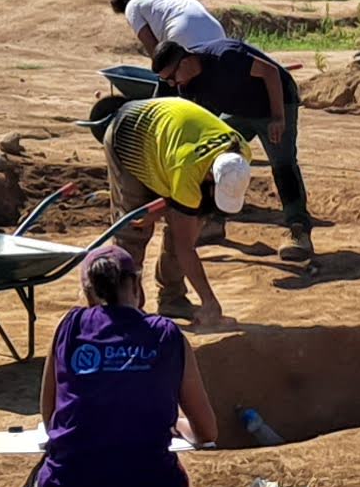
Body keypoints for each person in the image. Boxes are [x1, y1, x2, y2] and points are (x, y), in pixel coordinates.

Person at [20, 242, 218, 487]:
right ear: (138, 287)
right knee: (170, 474)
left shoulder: (70, 326)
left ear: (88, 293)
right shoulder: (167, 335)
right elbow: (207, 431)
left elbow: (51, 420)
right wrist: (179, 426)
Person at [95, 93, 251, 323]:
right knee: (134, 229)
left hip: (167, 143)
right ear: (210, 177)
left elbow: (181, 206)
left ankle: (172, 299)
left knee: (190, 221)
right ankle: (125, 309)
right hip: (130, 133)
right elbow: (184, 246)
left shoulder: (241, 152)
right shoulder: (188, 168)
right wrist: (209, 300)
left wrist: (167, 207)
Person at [155, 37, 313, 263]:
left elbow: (271, 73)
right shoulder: (186, 84)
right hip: (239, 110)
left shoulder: (225, 56)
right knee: (214, 158)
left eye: (171, 77)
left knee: (282, 163)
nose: (172, 84)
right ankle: (214, 221)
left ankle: (299, 231)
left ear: (185, 61)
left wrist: (278, 117)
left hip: (274, 102)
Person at [107, 0, 227, 60]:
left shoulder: (132, 6)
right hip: (217, 33)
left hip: (184, 33)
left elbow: (154, 49)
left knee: (174, 78)